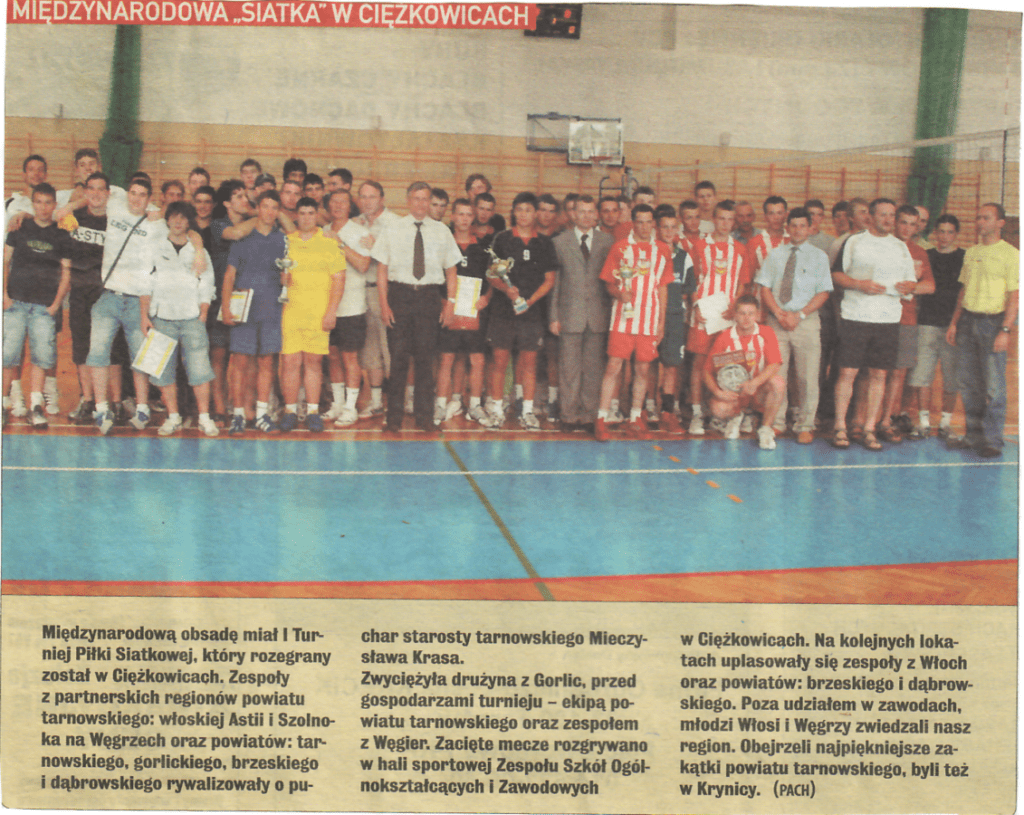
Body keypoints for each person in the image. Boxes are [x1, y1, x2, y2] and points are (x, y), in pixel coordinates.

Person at [85, 177, 178, 434]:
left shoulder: (157, 224)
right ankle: (101, 408)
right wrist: (67, 208)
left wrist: (199, 247)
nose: (136, 198)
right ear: (127, 193)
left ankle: (142, 408)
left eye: (142, 194)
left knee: (141, 357)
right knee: (97, 353)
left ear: (150, 199)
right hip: (109, 296)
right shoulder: (115, 202)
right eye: (133, 193)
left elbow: (182, 232)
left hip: (138, 301)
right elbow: (89, 193)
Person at [373, 181, 462, 435]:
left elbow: (451, 271)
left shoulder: (442, 231)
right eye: (416, 198)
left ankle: (425, 418)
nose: (421, 204)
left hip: (428, 297)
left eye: (425, 199)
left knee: (425, 360)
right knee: (398, 359)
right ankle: (393, 418)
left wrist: (450, 304)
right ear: (408, 200)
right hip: (400, 296)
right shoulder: (393, 228)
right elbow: (382, 270)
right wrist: (384, 304)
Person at [830, 198, 916, 451]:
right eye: (883, 214)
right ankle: (840, 426)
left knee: (879, 374)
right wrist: (859, 284)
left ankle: (869, 428)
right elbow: (836, 275)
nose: (888, 220)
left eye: (891, 215)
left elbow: (911, 282)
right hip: (856, 316)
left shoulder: (900, 247)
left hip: (888, 320)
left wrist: (908, 286)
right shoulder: (854, 242)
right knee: (848, 373)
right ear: (871, 216)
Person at [593, 203, 672, 441]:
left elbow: (663, 287)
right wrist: (619, 293)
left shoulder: (662, 250)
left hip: (649, 320)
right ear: (633, 223)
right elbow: (608, 282)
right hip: (623, 318)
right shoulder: (620, 248)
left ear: (654, 224)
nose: (644, 227)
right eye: (640, 222)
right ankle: (601, 418)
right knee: (614, 367)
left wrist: (661, 322)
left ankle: (635, 419)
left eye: (649, 222)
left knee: (643, 369)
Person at [945, 203, 1019, 457]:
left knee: (993, 385)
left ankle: (992, 440)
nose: (980, 222)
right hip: (967, 322)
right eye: (978, 217)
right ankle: (973, 436)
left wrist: (1005, 330)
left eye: (986, 218)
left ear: (1000, 223)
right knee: (968, 383)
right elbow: (963, 290)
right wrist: (955, 322)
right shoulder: (972, 253)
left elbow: (1014, 296)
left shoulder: (1011, 254)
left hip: (993, 323)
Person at [139, 201, 218, 437]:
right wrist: (144, 315)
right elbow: (145, 283)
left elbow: (207, 283)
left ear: (189, 222)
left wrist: (203, 313)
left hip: (192, 319)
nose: (178, 221)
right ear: (167, 219)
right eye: (174, 216)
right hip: (161, 318)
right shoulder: (154, 247)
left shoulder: (198, 250)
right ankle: (172, 417)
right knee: (162, 371)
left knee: (200, 370)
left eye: (183, 217)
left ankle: (204, 418)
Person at [755, 207, 833, 443]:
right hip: (777, 321)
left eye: (802, 226)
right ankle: (777, 422)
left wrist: (799, 315)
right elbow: (765, 287)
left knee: (808, 376)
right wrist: (779, 313)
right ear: (787, 228)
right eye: (794, 225)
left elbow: (823, 292)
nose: (798, 230)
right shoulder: (776, 254)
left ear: (810, 228)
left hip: (806, 322)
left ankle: (805, 424)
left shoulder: (819, 256)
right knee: (776, 375)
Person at [484, 192, 558, 430]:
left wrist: (529, 301)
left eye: (528, 210)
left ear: (535, 214)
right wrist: (506, 290)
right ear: (513, 212)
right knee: (499, 362)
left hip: (531, 313)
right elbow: (492, 275)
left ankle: (527, 412)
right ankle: (496, 411)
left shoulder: (544, 243)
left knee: (529, 363)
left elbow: (549, 279)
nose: (524, 214)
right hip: (502, 312)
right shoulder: (502, 239)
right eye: (519, 210)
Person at [2, 183, 72, 428]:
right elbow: (5, 261)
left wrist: (56, 305)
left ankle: (35, 406)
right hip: (16, 303)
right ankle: (2, 404)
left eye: (48, 202)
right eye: (39, 202)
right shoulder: (19, 227)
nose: (43, 207)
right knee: (8, 356)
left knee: (41, 358)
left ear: (54, 205)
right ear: (33, 204)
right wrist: (4, 295)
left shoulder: (62, 235)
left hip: (44, 307)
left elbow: (66, 273)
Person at [221, 190, 289, 434]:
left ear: (278, 211)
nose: (269, 212)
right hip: (245, 308)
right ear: (257, 209)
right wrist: (226, 307)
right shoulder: (243, 238)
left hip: (271, 308)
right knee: (239, 362)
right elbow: (229, 275)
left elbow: (288, 274)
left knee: (266, 362)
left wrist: (287, 279)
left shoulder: (283, 240)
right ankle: (238, 414)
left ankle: (261, 414)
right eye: (265, 206)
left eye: (274, 207)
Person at [278, 197, 345, 433]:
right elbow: (279, 276)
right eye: (302, 213)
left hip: (318, 313)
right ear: (296, 216)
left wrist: (331, 312)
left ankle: (313, 411)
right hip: (290, 312)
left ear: (316, 215)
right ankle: (290, 411)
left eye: (310, 213)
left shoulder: (328, 243)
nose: (306, 218)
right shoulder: (287, 242)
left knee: (313, 362)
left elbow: (339, 280)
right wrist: (282, 279)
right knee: (290, 362)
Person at [551, 195, 613, 431]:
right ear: (573, 214)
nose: (586, 216)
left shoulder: (607, 241)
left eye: (590, 211)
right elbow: (555, 283)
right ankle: (568, 415)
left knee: (593, 369)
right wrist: (553, 316)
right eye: (582, 211)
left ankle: (589, 416)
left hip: (598, 315)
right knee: (569, 369)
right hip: (569, 314)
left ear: (596, 215)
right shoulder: (560, 242)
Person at [686, 201, 748, 435]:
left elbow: (743, 282)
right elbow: (692, 280)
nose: (725, 223)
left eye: (730, 219)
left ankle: (724, 415)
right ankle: (696, 413)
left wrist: (735, 306)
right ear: (713, 219)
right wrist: (695, 305)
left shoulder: (739, 249)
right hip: (704, 315)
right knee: (699, 364)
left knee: (727, 365)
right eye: (721, 218)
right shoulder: (700, 246)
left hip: (728, 316)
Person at [876, 205, 935, 442]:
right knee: (875, 371)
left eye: (913, 224)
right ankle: (867, 420)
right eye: (903, 222)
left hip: (906, 319)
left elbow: (930, 286)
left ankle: (886, 420)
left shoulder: (919, 252)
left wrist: (913, 287)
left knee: (898, 373)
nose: (908, 228)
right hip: (879, 316)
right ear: (895, 222)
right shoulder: (880, 245)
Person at [436, 198, 493, 426]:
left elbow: (492, 279)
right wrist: (444, 304)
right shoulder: (443, 244)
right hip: (449, 310)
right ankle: (441, 405)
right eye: (460, 214)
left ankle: (475, 406)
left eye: (469, 214)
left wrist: (486, 298)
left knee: (477, 359)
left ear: (473, 218)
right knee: (447, 358)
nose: (464, 219)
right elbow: (436, 279)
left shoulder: (483, 249)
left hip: (474, 312)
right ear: (452, 217)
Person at [906, 213, 964, 440]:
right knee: (922, 375)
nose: (945, 236)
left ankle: (946, 423)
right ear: (935, 233)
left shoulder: (964, 257)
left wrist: (955, 323)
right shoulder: (926, 255)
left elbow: (964, 292)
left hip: (952, 326)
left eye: (950, 232)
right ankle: (923, 423)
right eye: (941, 231)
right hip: (926, 323)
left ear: (956, 234)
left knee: (951, 377)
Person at [703, 294, 785, 450]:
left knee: (778, 383)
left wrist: (754, 383)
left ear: (758, 315)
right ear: (734, 315)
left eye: (751, 313)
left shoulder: (766, 332)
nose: (746, 318)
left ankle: (765, 429)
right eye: (742, 313)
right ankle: (737, 416)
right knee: (718, 408)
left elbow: (775, 364)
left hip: (757, 391)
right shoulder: (725, 337)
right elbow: (706, 371)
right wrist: (718, 392)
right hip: (736, 394)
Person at [321, 189, 372, 427]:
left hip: (352, 305)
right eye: (334, 202)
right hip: (327, 305)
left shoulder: (361, 232)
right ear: (328, 206)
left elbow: (363, 265)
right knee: (332, 356)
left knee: (350, 357)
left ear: (350, 206)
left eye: (343, 202)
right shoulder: (322, 231)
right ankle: (338, 404)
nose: (338, 206)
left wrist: (340, 244)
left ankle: (351, 407)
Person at [355, 180, 399, 418]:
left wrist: (377, 247)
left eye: (372, 197)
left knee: (390, 349)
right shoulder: (356, 223)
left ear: (382, 199)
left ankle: (396, 404)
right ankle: (376, 402)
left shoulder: (395, 223)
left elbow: (401, 260)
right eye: (363, 197)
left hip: (386, 291)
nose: (367, 201)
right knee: (370, 351)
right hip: (361, 291)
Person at [654, 208, 696, 433]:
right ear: (657, 229)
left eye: (673, 227)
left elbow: (688, 290)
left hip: (675, 317)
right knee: (647, 364)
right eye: (665, 227)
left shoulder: (683, 257)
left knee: (671, 365)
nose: (669, 231)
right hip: (649, 316)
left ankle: (667, 413)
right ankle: (645, 409)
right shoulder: (650, 253)